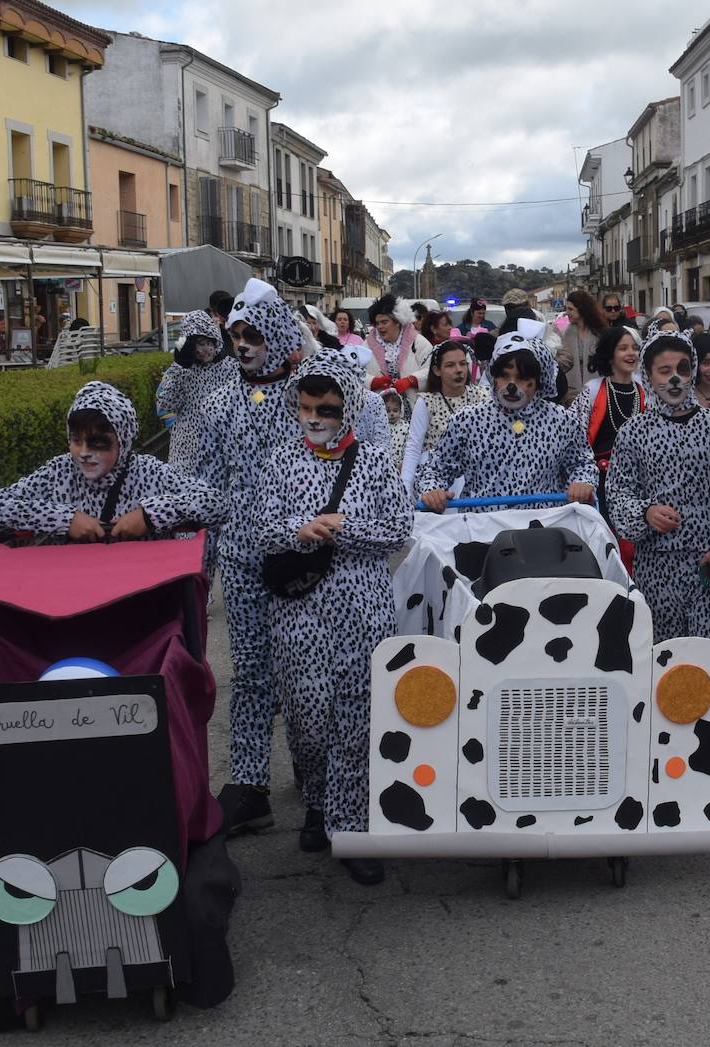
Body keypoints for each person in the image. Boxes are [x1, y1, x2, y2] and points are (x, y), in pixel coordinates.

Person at [257, 350, 413, 884]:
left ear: (347, 406)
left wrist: (344, 528)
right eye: (305, 406)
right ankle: (319, 801)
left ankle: (351, 826)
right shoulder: (278, 461)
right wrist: (298, 529)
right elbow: (260, 529)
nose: (315, 416)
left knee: (359, 716)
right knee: (307, 714)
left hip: (363, 610)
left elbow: (398, 530)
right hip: (298, 611)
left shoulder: (372, 459)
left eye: (325, 406)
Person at [185, 278, 303, 833]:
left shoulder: (317, 388)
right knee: (253, 671)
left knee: (309, 670)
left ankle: (318, 774)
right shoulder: (217, 400)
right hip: (240, 556)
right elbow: (203, 484)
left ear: (276, 331)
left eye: (253, 333)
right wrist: (197, 557)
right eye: (234, 335)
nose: (243, 345)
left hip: (307, 557)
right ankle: (250, 783)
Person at [606, 331, 710, 645]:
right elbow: (618, 491)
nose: (675, 379)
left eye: (683, 369)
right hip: (656, 565)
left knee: (707, 654)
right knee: (662, 656)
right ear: (648, 375)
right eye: (665, 371)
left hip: (708, 560)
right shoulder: (633, 431)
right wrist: (646, 512)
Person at [0, 380, 224, 542]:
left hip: (142, 599)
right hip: (70, 600)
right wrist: (64, 519)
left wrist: (150, 515)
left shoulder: (150, 473)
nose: (83, 453)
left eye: (98, 443)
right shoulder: (58, 472)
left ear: (123, 440)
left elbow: (216, 504)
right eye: (76, 440)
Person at [417, 318, 598, 513]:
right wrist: (432, 489)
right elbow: (436, 469)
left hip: (544, 529)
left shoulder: (562, 421)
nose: (512, 386)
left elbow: (582, 462)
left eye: (522, 378)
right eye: (504, 376)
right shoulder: (467, 420)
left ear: (539, 382)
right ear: (493, 377)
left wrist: (582, 481)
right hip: (482, 530)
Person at [569, 325, 647, 552]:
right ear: (610, 354)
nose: (630, 353)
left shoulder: (645, 392)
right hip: (601, 478)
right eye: (623, 348)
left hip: (639, 480)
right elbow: (575, 434)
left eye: (634, 348)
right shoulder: (592, 390)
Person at [156, 311, 240, 475]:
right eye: (193, 345)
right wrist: (179, 367)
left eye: (203, 343)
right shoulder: (181, 370)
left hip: (222, 453)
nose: (201, 351)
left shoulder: (232, 368)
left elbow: (254, 397)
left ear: (213, 338)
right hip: (186, 454)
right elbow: (165, 403)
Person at [401, 340, 489, 496]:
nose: (459, 370)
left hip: (476, 478)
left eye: (463, 364)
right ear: (437, 370)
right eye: (450, 365)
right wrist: (404, 488)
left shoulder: (482, 396)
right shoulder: (427, 402)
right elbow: (413, 447)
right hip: (435, 481)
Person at [364, 293, 433, 400]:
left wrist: (411, 380)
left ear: (397, 322)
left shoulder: (418, 342)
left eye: (384, 322)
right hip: (379, 405)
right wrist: (373, 382)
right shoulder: (367, 345)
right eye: (377, 323)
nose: (380, 327)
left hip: (412, 403)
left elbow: (432, 369)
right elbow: (355, 373)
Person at [557, 290, 606, 406]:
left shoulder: (599, 331)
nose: (567, 312)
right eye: (566, 309)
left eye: (571, 309)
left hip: (597, 392)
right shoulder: (565, 329)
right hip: (571, 394)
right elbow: (563, 356)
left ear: (582, 309)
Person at [382, 389, 410, 471]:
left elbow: (408, 446)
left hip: (401, 465)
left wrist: (403, 463)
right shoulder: (381, 427)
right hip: (385, 464)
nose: (392, 414)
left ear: (400, 410)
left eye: (395, 410)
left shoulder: (406, 426)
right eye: (388, 411)